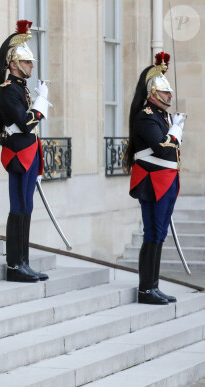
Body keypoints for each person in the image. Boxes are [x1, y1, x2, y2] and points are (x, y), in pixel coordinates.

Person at [0, 20, 50, 283]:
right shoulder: (8, 91)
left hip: (30, 152)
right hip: (18, 154)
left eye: (31, 62)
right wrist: (41, 104)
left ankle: (23, 261)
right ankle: (14, 265)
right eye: (26, 62)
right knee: (19, 207)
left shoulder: (20, 89)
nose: (31, 66)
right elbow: (25, 123)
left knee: (27, 207)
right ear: (13, 64)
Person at [124, 52, 186, 305]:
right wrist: (176, 131)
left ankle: (153, 285)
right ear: (153, 93)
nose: (170, 95)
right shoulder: (146, 116)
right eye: (165, 91)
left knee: (159, 235)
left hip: (167, 180)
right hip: (152, 182)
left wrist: (173, 128)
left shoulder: (162, 116)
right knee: (153, 233)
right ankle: (146, 288)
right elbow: (161, 148)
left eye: (169, 91)